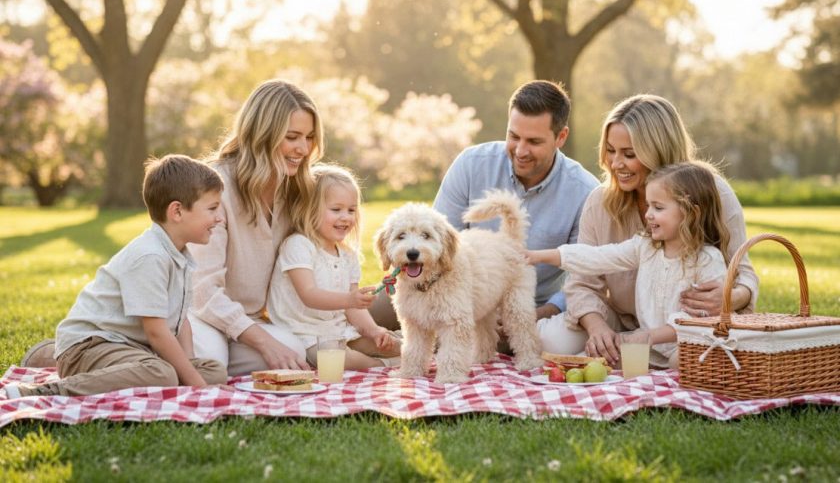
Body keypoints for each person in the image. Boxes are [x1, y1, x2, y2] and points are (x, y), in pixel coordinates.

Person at [538, 94, 759, 364]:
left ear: (658, 151)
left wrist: (728, 299)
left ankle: (651, 358)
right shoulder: (600, 202)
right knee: (551, 340)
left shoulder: (711, 192)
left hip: (688, 327)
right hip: (620, 321)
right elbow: (582, 281)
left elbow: (744, 273)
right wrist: (597, 328)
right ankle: (626, 351)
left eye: (629, 154)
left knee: (692, 360)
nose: (615, 163)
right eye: (610, 150)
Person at [370, 80, 599, 328]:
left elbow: (582, 277)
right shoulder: (471, 164)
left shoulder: (585, 192)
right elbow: (437, 246)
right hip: (445, 293)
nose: (520, 151)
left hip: (530, 306)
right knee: (357, 317)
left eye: (534, 142)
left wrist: (540, 313)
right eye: (514, 136)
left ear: (561, 137)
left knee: (511, 340)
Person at [5, 155, 228, 398]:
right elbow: (157, 333)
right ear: (177, 211)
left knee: (214, 371)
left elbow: (180, 319)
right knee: (162, 374)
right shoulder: (150, 256)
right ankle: (49, 391)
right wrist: (197, 386)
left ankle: (161, 377)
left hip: (129, 349)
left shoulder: (179, 255)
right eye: (212, 208)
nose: (219, 217)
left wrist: (191, 368)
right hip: (88, 347)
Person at [527, 161, 730, 368]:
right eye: (649, 205)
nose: (648, 214)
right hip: (648, 350)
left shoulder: (708, 260)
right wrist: (541, 256)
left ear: (691, 213)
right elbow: (599, 257)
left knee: (680, 361)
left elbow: (700, 320)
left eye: (658, 207)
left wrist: (648, 337)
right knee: (584, 362)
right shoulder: (645, 246)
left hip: (686, 346)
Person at [187, 79, 324, 376]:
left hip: (245, 320)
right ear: (262, 135)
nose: (303, 148)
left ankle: (207, 359)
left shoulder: (294, 190)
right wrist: (264, 342)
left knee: (294, 350)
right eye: (292, 137)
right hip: (197, 313)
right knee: (211, 362)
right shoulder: (215, 188)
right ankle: (146, 349)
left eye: (310, 137)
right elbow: (202, 293)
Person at [267, 164, 401, 369]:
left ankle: (404, 355)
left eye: (351, 210)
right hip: (305, 334)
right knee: (339, 360)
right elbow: (309, 294)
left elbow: (353, 309)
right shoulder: (299, 245)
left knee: (394, 344)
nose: (346, 217)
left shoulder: (347, 254)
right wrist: (349, 299)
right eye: (336, 209)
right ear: (309, 209)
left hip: (339, 331)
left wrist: (374, 331)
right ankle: (382, 365)